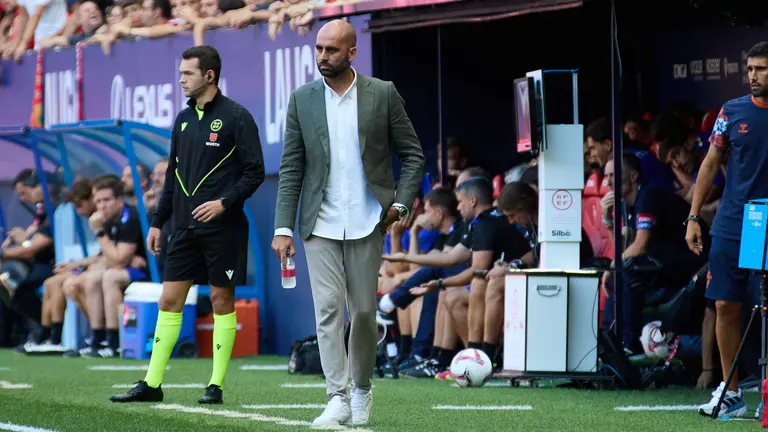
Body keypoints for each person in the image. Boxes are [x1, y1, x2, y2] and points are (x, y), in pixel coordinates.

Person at [271, 19, 424, 427]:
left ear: (352, 52)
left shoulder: (383, 94)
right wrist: (282, 227)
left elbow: (413, 156)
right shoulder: (301, 98)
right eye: (319, 49)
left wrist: (402, 206)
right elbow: (291, 167)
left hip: (368, 219)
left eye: (331, 50)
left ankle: (361, 389)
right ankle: (336, 396)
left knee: (363, 313)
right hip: (317, 222)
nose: (322, 57)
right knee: (326, 310)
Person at [110, 45, 265, 404]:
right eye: (180, 72)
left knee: (221, 299)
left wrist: (224, 203)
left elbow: (255, 171)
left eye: (187, 73)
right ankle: (152, 384)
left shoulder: (237, 117)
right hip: (181, 227)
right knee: (169, 299)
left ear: (209, 75)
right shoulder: (181, 119)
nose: (180, 78)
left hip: (223, 228)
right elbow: (173, 176)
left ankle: (215, 385)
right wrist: (156, 222)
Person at [687, 41, 768, 419]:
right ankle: (731, 393)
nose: (753, 76)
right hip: (735, 223)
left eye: (762, 69)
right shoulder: (731, 112)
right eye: (750, 68)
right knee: (724, 305)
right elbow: (710, 163)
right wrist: (693, 217)